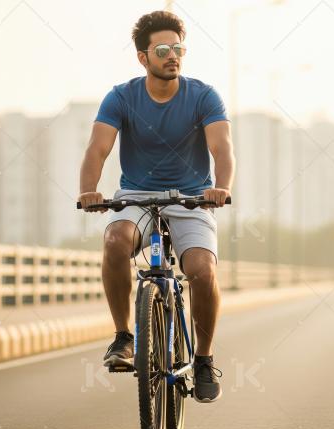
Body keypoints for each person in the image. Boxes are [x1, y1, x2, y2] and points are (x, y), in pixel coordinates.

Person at [78, 10, 234, 403]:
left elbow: (222, 148)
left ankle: (202, 358)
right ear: (143, 58)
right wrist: (89, 190)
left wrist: (221, 187)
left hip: (192, 197)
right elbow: (98, 148)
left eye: (178, 48)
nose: (172, 55)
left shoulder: (203, 95)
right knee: (115, 241)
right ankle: (123, 337)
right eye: (162, 49)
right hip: (136, 196)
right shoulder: (121, 97)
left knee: (201, 269)